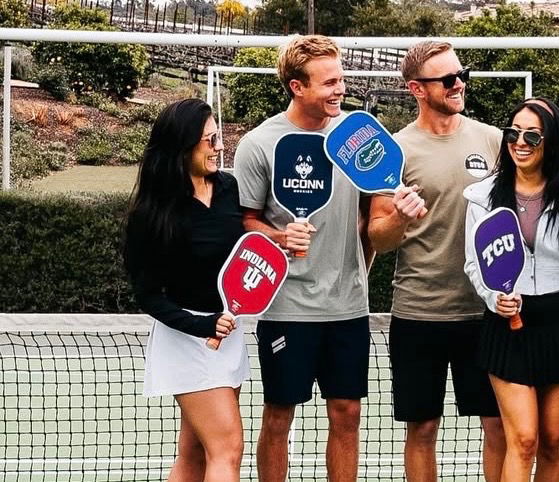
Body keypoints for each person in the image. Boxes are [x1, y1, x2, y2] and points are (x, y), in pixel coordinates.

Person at [232, 35, 372, 482]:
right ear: (297, 86)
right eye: (329, 82)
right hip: (287, 307)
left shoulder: (357, 135)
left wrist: (398, 203)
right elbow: (244, 221)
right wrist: (278, 235)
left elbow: (376, 209)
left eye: (341, 79)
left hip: (348, 306)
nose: (340, 89)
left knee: (347, 412)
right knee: (279, 415)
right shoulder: (259, 144)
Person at [366, 40, 505, 482]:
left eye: (461, 74)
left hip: (485, 313)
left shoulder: (493, 140)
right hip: (419, 312)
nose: (458, 83)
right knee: (422, 428)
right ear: (417, 89)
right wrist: (399, 219)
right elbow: (379, 238)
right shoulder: (393, 151)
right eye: (447, 79)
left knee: (498, 424)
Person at [463, 98, 559, 482]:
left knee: (553, 442)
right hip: (506, 328)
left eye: (532, 136)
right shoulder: (482, 196)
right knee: (523, 439)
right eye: (513, 133)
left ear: (552, 142)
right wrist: (494, 298)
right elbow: (474, 262)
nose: (519, 142)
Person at [124, 98, 245, 481]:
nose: (219, 147)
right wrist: (201, 325)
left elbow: (248, 251)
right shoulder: (153, 213)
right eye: (209, 140)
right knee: (228, 448)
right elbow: (147, 293)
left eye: (218, 137)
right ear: (183, 146)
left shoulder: (228, 189)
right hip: (186, 339)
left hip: (227, 333)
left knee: (194, 453)